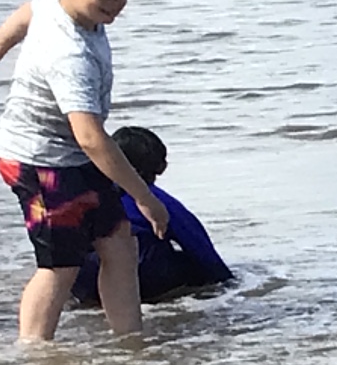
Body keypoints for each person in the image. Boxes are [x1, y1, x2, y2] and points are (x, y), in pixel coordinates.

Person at [0, 0, 167, 339]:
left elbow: (29, 10)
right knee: (61, 265)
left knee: (119, 244)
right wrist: (146, 200)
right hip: (37, 160)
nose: (113, 2)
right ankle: (33, 351)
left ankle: (131, 341)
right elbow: (92, 137)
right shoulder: (69, 53)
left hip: (72, 153)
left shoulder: (57, 2)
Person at [65, 127, 231, 307]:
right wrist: (225, 281)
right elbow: (196, 242)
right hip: (145, 278)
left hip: (84, 280)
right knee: (188, 261)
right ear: (159, 166)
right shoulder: (155, 200)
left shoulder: (84, 194)